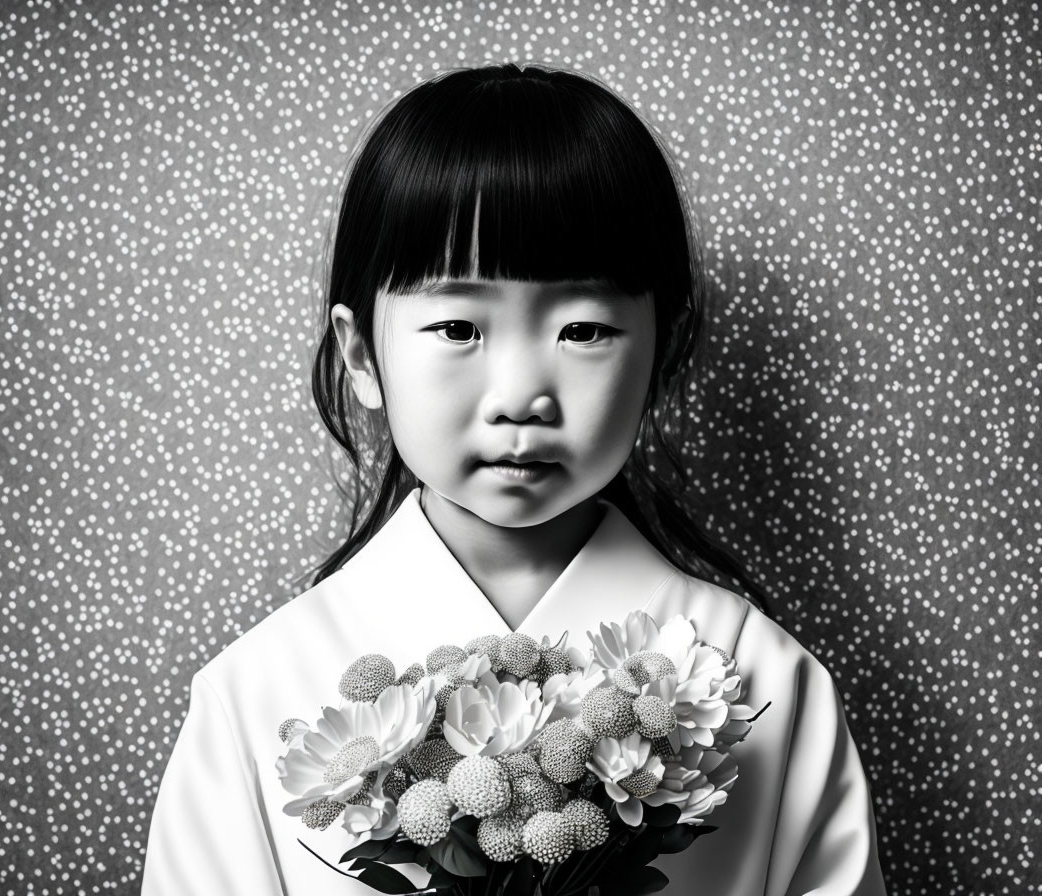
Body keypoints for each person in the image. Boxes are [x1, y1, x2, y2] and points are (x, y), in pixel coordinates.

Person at [141, 64, 887, 894]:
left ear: (663, 352)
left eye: (584, 328)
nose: (521, 395)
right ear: (362, 357)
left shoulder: (767, 684)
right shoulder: (255, 691)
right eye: (458, 325)